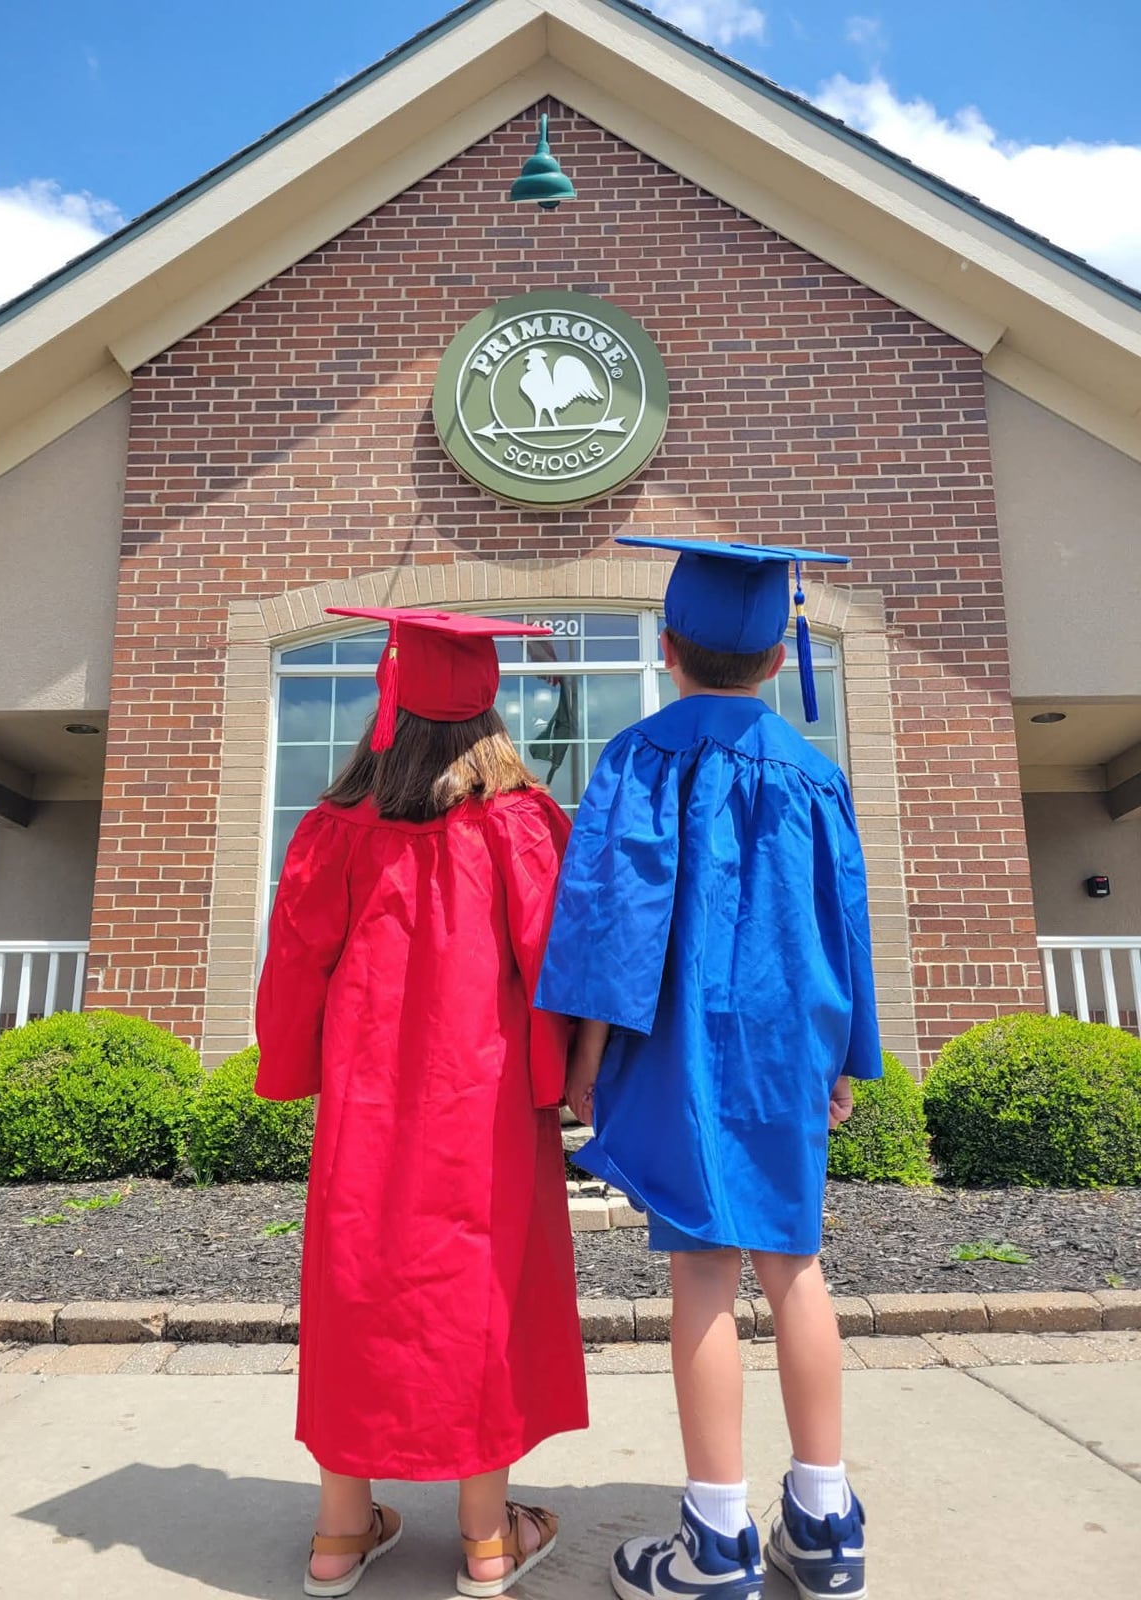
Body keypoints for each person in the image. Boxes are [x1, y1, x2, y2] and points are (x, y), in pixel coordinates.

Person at [536, 538, 882, 1600]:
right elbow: (846, 924)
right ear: (782, 658)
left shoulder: (640, 757)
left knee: (703, 1275)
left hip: (681, 1047)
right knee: (796, 1264)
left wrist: (585, 1056)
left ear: (666, 648)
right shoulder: (817, 774)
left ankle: (717, 1539)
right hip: (787, 1048)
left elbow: (613, 923)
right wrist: (851, 1054)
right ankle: (824, 1521)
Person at [255, 606, 588, 1599]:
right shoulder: (522, 824)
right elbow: (559, 970)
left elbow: (292, 972)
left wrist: (290, 1065)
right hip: (482, 1112)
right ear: (489, 710)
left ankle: (340, 1531)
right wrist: (567, 1080)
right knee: (480, 1296)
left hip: (366, 1109)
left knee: (355, 1287)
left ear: (389, 703)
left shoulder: (331, 828)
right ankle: (487, 1543)